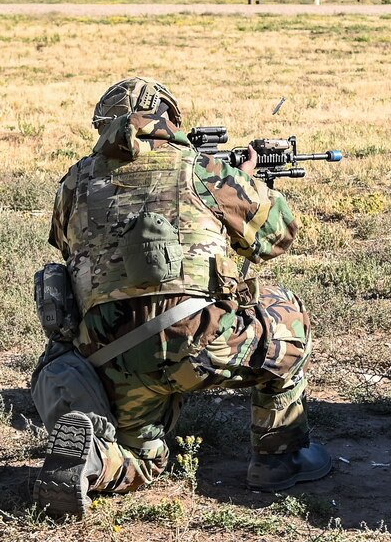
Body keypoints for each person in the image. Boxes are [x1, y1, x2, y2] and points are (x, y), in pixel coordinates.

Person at [36, 77, 330, 518]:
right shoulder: (203, 170)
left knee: (145, 460)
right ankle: (278, 459)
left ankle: (96, 463)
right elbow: (278, 236)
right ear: (169, 119)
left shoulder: (73, 183)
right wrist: (247, 184)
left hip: (109, 356)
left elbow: (72, 251)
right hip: (198, 343)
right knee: (287, 314)